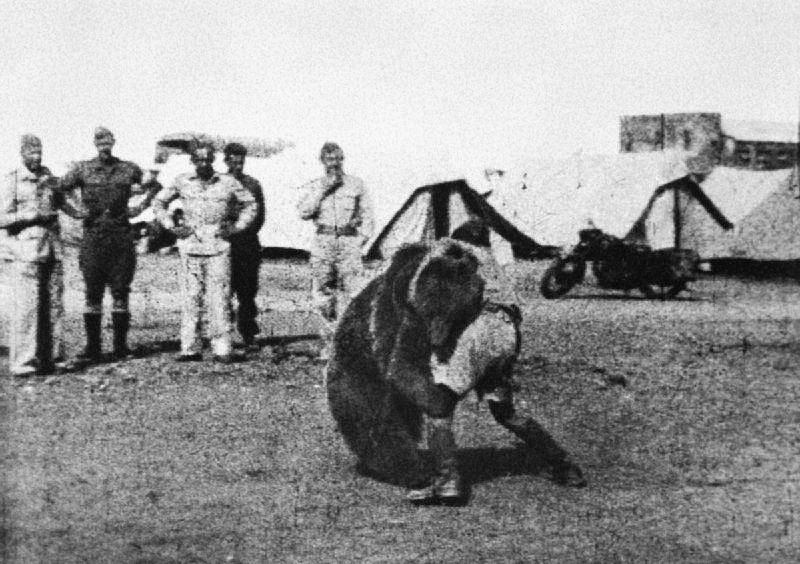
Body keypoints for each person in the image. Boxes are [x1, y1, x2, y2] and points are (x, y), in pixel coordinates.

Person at [407, 219, 584, 503]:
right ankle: (564, 465)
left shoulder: (453, 248)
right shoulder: (494, 266)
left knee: (437, 407)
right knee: (505, 412)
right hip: (508, 334)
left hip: (483, 330)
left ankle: (447, 481)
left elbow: (421, 289)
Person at [59, 127, 161, 362]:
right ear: (95, 143)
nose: (104, 145)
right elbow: (59, 190)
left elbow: (154, 185)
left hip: (121, 237)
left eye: (108, 141)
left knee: (120, 291)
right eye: (100, 141)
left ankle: (120, 347)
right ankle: (93, 347)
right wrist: (75, 212)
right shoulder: (82, 169)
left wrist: (140, 207)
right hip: (94, 236)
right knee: (92, 292)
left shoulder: (127, 168)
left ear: (114, 142)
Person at [153, 142, 257, 363]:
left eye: (207, 159)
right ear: (192, 161)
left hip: (218, 246)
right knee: (191, 298)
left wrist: (237, 227)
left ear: (213, 160)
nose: (203, 164)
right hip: (190, 246)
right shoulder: (182, 181)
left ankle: (222, 348)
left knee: (219, 298)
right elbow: (159, 202)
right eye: (199, 160)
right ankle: (190, 348)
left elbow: (251, 204)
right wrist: (172, 226)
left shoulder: (227, 182)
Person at [0, 134, 84, 376]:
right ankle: (23, 362)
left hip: (52, 250)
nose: (36, 157)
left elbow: (68, 206)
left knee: (54, 308)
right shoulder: (12, 180)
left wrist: (75, 199)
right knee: (26, 310)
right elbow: (2, 217)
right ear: (22, 153)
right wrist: (31, 217)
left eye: (39, 152)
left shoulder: (50, 179)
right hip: (24, 253)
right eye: (31, 153)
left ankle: (53, 358)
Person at [297, 142, 374, 359]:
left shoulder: (356, 185)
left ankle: (348, 345)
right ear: (322, 162)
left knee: (352, 293)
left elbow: (368, 216)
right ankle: (328, 344)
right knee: (323, 293)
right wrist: (323, 190)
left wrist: (360, 241)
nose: (335, 164)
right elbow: (303, 212)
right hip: (324, 240)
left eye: (339, 159)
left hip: (349, 241)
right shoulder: (315, 185)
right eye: (330, 160)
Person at [223, 142, 266, 352]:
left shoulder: (253, 185)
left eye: (241, 162)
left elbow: (259, 216)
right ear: (226, 161)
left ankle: (248, 332)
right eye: (233, 161)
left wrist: (243, 230)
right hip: (224, 244)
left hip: (247, 244)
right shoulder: (219, 184)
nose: (237, 166)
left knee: (247, 291)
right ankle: (224, 335)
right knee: (223, 291)